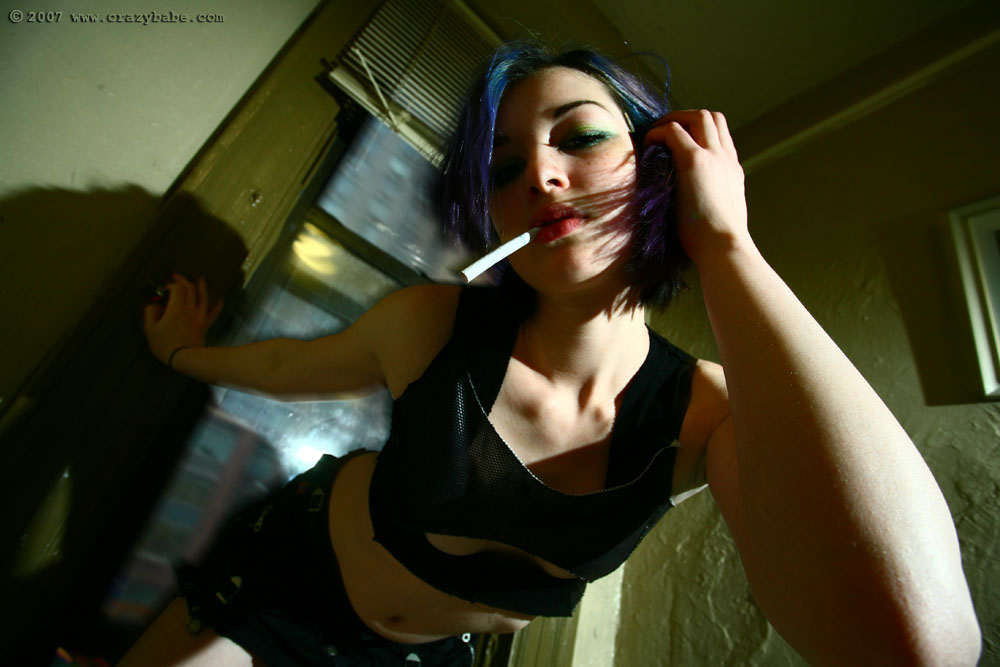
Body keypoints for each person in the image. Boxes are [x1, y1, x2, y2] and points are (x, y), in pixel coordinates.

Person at [123, 41, 981, 666]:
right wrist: (179, 356)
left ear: (661, 167)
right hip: (289, 576)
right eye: (503, 170)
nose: (539, 174)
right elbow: (283, 371)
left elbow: (912, 646)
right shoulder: (430, 325)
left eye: (580, 138)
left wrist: (728, 245)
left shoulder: (706, 414)